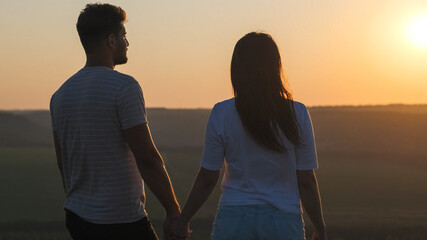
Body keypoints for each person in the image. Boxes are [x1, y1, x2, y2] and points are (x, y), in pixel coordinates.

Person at [168, 32, 327, 240]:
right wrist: (320, 229)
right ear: (275, 66)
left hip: (233, 220)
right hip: (283, 222)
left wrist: (183, 220)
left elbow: (208, 177)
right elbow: (306, 180)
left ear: (237, 68)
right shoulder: (297, 113)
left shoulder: (222, 113)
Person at [50, 3, 182, 239]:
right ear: (111, 40)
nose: (127, 42)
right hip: (120, 220)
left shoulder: (60, 95)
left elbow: (62, 162)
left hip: (77, 216)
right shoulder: (124, 87)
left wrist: (82, 201)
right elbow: (147, 157)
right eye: (124, 35)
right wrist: (173, 211)